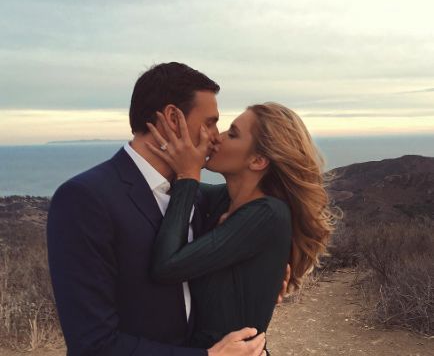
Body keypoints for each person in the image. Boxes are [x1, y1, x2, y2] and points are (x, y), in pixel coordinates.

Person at [47, 62, 289, 356]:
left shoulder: (200, 199)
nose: (216, 136)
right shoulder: (85, 199)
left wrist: (263, 278)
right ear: (174, 119)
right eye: (210, 122)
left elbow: (254, 214)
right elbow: (93, 345)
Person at [144, 102, 341, 354]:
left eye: (233, 134)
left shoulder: (268, 214)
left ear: (257, 160)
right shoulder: (224, 200)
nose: (217, 137)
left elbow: (166, 266)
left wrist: (188, 175)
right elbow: (167, 189)